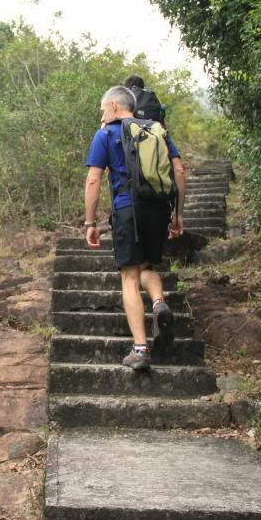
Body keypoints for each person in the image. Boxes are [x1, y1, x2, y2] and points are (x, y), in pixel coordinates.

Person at [83, 85, 186, 370]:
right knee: (147, 267)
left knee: (129, 277)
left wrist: (90, 222)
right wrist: (178, 215)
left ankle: (140, 349)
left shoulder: (106, 134)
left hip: (128, 209)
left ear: (115, 106)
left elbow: (93, 180)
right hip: (158, 209)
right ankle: (158, 303)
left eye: (103, 110)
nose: (101, 116)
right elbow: (178, 170)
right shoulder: (156, 130)